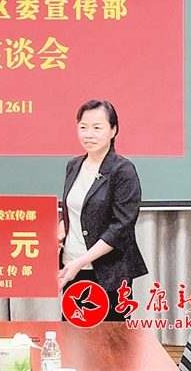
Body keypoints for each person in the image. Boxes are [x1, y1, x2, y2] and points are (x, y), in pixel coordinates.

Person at [58, 100, 148, 321]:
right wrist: (61, 231)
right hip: (71, 267)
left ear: (113, 130)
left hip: (108, 273)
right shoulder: (73, 166)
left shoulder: (123, 171)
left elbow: (121, 227)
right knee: (73, 335)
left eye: (97, 127)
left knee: (109, 340)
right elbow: (74, 210)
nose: (89, 134)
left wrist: (82, 261)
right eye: (83, 127)